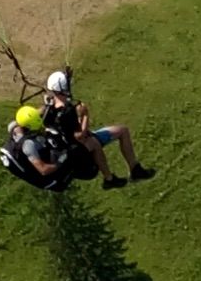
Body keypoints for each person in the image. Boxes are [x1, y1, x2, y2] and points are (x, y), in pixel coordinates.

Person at [9, 67, 150, 190]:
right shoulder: (67, 112)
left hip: (63, 143)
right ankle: (110, 179)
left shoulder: (47, 108)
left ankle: (132, 171)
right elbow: (80, 136)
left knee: (119, 131)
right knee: (106, 138)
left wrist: (66, 75)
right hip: (76, 147)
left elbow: (51, 99)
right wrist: (85, 115)